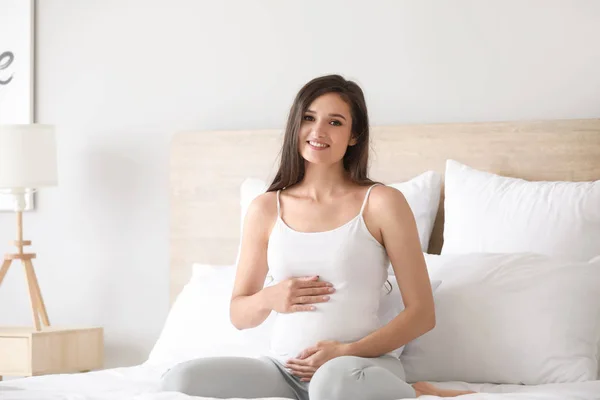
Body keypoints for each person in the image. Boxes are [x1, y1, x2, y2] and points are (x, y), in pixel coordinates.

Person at [161, 75, 475, 399]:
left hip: (357, 368)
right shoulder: (266, 208)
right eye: (309, 118)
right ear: (295, 125)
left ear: (354, 135)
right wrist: (272, 297)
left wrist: (344, 351)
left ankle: (415, 393)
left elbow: (422, 314)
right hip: (284, 372)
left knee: (331, 383)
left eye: (335, 122)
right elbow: (239, 314)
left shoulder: (381, 203)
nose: (318, 132)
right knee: (179, 380)